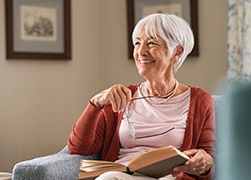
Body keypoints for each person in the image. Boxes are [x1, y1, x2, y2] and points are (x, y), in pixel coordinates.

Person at [68, 13, 216, 180]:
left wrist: (205, 162)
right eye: (137, 43)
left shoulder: (200, 100)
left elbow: (208, 163)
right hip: (122, 175)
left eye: (151, 43)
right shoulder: (121, 96)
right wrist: (95, 104)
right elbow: (78, 148)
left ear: (177, 52)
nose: (141, 52)